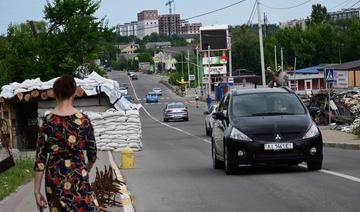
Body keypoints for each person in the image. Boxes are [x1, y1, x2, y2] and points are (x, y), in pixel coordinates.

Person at [34, 75, 98, 211]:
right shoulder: (83, 120)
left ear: (55, 93)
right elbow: (92, 153)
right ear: (74, 92)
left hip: (54, 178)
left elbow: (40, 160)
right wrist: (86, 168)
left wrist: (36, 190)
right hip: (78, 175)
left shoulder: (47, 121)